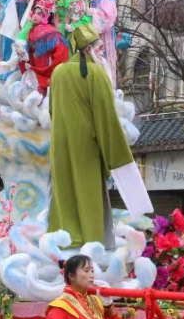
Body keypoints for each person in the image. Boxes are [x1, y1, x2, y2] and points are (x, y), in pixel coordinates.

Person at [47, 24, 152, 248]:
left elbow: (51, 111)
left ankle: (66, 240)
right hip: (86, 145)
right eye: (100, 48)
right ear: (88, 50)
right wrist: (114, 152)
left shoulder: (57, 72)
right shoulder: (96, 73)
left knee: (64, 192)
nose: (103, 53)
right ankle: (91, 243)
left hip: (60, 143)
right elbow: (106, 117)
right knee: (89, 193)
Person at [81, 0, 119, 86]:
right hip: (84, 28)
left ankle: (107, 88)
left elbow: (110, 11)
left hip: (104, 31)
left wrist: (93, 13)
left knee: (104, 60)